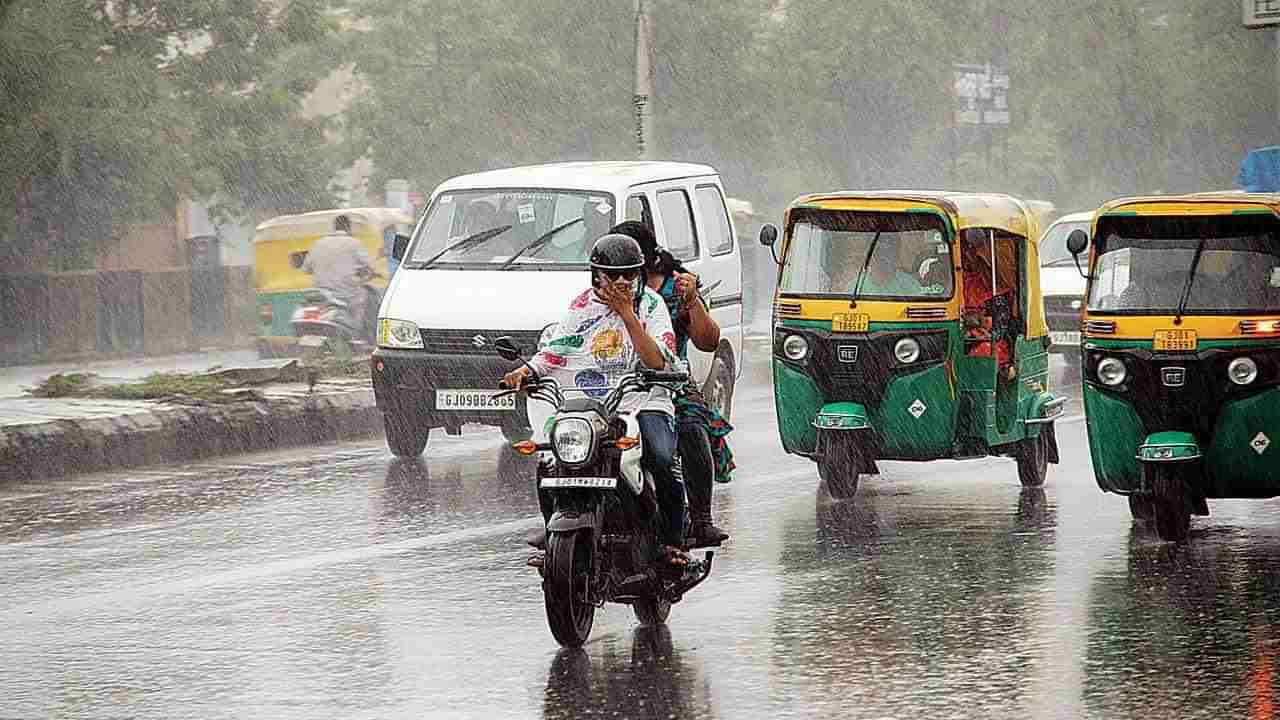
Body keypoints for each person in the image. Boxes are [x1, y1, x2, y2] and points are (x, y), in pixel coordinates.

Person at [503, 233, 690, 567]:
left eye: (629, 274)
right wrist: (526, 371)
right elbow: (558, 349)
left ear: (640, 274)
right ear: (596, 274)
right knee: (550, 458)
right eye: (611, 274)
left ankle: (673, 541)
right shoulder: (581, 306)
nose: (620, 281)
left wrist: (627, 314)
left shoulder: (651, 306)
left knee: (660, 456)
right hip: (588, 402)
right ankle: (554, 527)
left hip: (641, 397)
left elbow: (658, 361)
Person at [611, 220, 733, 547]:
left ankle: (700, 519)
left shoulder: (674, 290)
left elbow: (708, 342)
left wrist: (692, 302)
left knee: (692, 428)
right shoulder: (600, 292)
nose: (619, 279)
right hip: (610, 384)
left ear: (644, 260)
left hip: (667, 381)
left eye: (627, 267)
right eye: (612, 268)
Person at [303, 215, 376, 341]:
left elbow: (306, 269)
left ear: (334, 227)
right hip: (346, 292)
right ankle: (357, 337)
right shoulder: (353, 243)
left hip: (321, 292)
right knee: (363, 299)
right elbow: (369, 266)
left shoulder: (319, 243)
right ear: (348, 227)